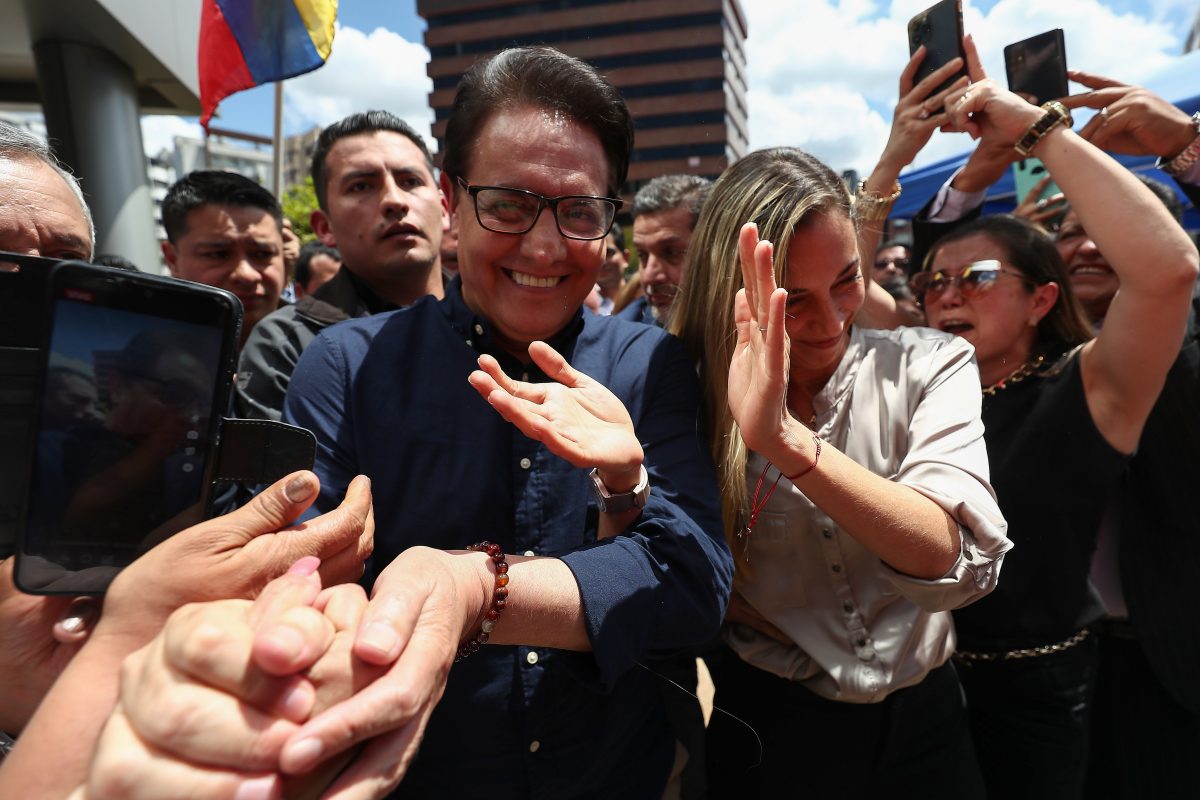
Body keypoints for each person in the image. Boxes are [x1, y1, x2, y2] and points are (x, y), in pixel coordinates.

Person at [668, 147, 1009, 795]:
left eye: (848, 280)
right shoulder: (680, 388)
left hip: (926, 716)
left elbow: (947, 552)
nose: (829, 322)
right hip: (769, 719)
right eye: (792, 301)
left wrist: (786, 442)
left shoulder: (927, 363)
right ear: (730, 294)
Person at [912, 50, 1198, 799]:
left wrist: (1042, 130)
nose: (1091, 243)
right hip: (954, 682)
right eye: (1070, 229)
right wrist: (971, 163)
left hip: (1157, 653)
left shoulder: (1102, 372)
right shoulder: (940, 389)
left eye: (976, 282)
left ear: (1039, 300)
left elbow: (1166, 271)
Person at [1053, 73, 1200, 800]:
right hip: (1052, 667)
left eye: (1108, 227)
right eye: (1069, 227)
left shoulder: (1191, 340)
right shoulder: (1029, 358)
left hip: (1172, 662)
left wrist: (1187, 147)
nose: (1085, 245)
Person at [235, 112, 448, 421]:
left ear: (444, 208)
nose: (394, 200)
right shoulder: (287, 346)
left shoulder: (499, 316)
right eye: (361, 187)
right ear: (325, 227)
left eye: (410, 181)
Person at [160, 170, 286, 346]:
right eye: (218, 254)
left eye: (262, 254)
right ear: (172, 259)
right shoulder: (142, 362)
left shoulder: (327, 352)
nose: (247, 275)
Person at [618, 174, 712, 325]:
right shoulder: (623, 342)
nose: (649, 276)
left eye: (671, 252)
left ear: (713, 248)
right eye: (642, 255)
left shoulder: (754, 329)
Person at [594, 222, 628, 315]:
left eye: (608, 253)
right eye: (596, 254)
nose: (602, 262)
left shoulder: (645, 304)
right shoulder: (582, 309)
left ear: (626, 258)